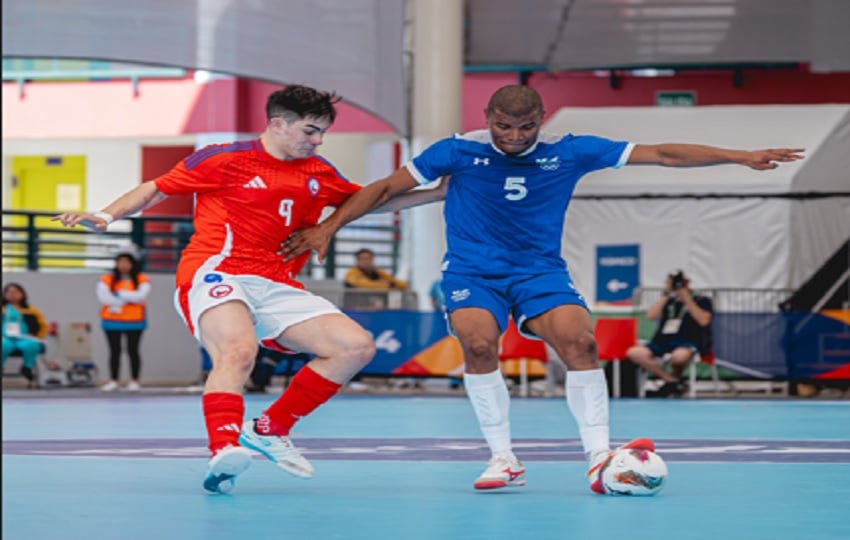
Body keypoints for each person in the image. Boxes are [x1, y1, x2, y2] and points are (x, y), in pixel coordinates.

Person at [279, 84, 804, 494]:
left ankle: (597, 457)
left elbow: (663, 154)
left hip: (539, 271)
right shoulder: (456, 151)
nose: (514, 136)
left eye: (525, 126)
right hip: (472, 271)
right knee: (480, 344)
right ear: (488, 120)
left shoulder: (572, 151)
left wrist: (739, 156)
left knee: (580, 341)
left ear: (540, 120)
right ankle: (504, 458)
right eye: (504, 126)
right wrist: (329, 227)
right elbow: (388, 186)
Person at [53, 84, 377, 495]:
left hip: (276, 281)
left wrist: (441, 190)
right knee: (239, 351)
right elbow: (157, 188)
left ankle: (269, 428)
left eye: (322, 133)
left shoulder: (319, 171)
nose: (318, 141)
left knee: (355, 347)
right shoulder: (225, 158)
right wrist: (106, 214)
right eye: (310, 131)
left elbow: (369, 200)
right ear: (278, 124)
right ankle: (223, 447)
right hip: (217, 270)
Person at [626, 270, 713, 398]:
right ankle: (671, 381)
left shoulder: (701, 300)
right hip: (663, 340)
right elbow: (651, 315)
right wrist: (666, 293)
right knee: (634, 353)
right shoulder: (669, 301)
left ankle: (672, 383)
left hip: (687, 341)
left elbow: (704, 320)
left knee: (679, 356)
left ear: (687, 283)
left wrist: (686, 299)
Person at [97, 251, 151, 392]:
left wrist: (120, 294)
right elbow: (104, 298)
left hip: (134, 320)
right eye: (120, 262)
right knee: (114, 351)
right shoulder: (107, 278)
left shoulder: (141, 279)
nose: (123, 265)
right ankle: (114, 380)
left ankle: (134, 380)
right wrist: (128, 298)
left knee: (133, 350)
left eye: (126, 262)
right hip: (112, 320)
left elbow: (140, 296)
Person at [2, 283, 48, 385]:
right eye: (9, 292)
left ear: (22, 294)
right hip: (5, 338)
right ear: (4, 294)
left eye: (15, 292)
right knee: (3, 345)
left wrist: (37, 337)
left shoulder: (32, 310)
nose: (12, 294)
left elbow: (43, 325)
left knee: (31, 344)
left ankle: (27, 367)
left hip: (24, 338)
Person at [344, 247, 408, 290]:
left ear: (373, 260)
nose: (366, 262)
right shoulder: (351, 273)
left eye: (368, 259)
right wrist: (385, 285)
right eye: (363, 259)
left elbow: (403, 284)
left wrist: (391, 284)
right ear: (357, 261)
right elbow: (364, 285)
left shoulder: (378, 272)